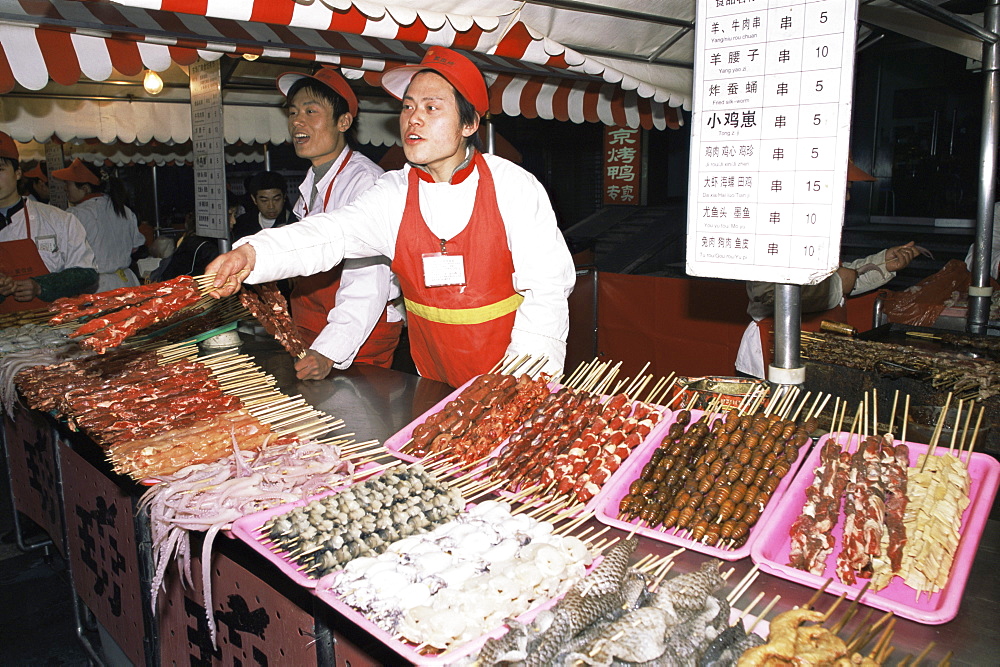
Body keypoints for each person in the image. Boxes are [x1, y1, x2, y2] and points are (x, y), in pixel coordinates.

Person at [207, 47, 576, 388]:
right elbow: (331, 233)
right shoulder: (394, 192)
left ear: (469, 124)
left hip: (508, 372)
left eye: (431, 108)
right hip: (432, 375)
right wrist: (251, 255)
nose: (413, 118)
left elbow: (547, 291)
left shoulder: (512, 186)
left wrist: (521, 383)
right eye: (408, 107)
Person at [274, 66, 403, 381]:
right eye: (293, 113)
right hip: (311, 318)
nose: (297, 122)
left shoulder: (367, 181)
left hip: (360, 329)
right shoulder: (312, 181)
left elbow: (369, 281)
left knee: (357, 420)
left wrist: (330, 350)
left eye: (310, 111)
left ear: (343, 121)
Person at [736, 162, 922, 378]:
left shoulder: (817, 227)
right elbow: (767, 290)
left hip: (816, 347)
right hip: (775, 347)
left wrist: (882, 264)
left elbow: (835, 279)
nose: (848, 198)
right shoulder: (777, 226)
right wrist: (837, 285)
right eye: (846, 188)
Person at [0, 132, 97, 312]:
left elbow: (86, 273)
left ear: (18, 172)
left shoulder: (58, 220)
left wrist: (40, 286)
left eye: (0, 169)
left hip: (52, 325)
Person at [51, 158, 145, 293]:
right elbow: (135, 247)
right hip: (127, 282)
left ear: (85, 188)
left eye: (68, 183)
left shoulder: (75, 214)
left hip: (97, 287)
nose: (65, 188)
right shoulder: (123, 209)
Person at [232, 171, 297, 241]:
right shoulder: (242, 225)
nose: (271, 206)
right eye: (264, 201)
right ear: (254, 199)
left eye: (276, 199)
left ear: (284, 197)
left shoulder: (295, 224)